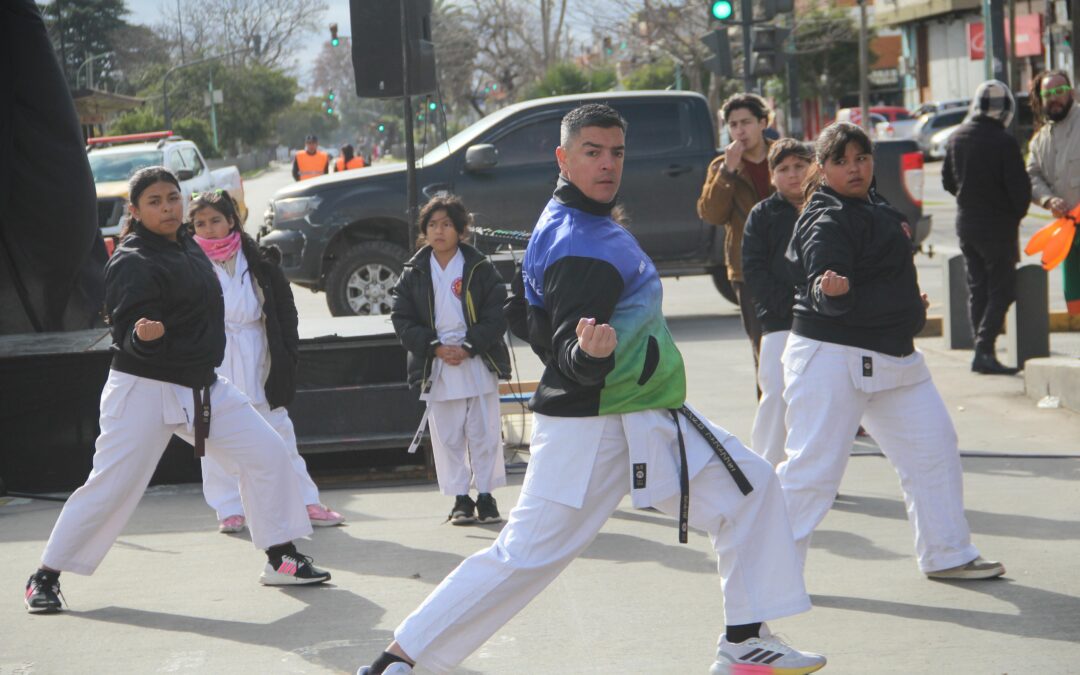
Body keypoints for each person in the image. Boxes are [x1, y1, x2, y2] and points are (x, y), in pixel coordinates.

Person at [358, 104, 825, 675]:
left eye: (617, 152)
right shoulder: (581, 242)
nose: (608, 164)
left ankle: (746, 641)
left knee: (751, 490)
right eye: (592, 152)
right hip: (592, 422)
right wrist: (588, 355)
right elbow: (561, 342)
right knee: (526, 554)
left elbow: (523, 314)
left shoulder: (567, 220)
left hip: (641, 414)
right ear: (563, 157)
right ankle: (399, 660)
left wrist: (583, 353)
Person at [24, 167, 330, 614]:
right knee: (111, 486)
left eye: (172, 198)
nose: (167, 207)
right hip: (142, 389)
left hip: (202, 384)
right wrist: (141, 337)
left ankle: (280, 556)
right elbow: (126, 327)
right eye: (154, 201)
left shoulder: (188, 245)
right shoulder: (131, 260)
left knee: (267, 451)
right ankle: (44, 577)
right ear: (135, 211)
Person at [779, 122, 1004, 581]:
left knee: (933, 449)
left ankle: (947, 552)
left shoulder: (875, 204)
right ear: (823, 169)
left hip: (895, 358)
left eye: (861, 158)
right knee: (813, 474)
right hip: (833, 357)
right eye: (840, 161)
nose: (854, 168)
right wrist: (831, 291)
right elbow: (822, 268)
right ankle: (766, 575)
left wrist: (906, 306)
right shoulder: (825, 213)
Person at [188, 189, 345, 533]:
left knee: (277, 431)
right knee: (212, 435)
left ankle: (305, 500)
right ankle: (229, 508)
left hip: (258, 351)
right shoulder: (188, 262)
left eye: (216, 220)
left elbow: (285, 311)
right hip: (214, 356)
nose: (209, 228)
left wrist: (287, 354)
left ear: (232, 220)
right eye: (200, 223)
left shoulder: (258, 259)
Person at [390, 194, 510, 525]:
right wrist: (434, 347)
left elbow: (497, 311)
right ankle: (461, 498)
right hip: (437, 362)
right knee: (448, 435)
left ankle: (486, 496)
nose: (439, 231)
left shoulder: (480, 267)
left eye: (446, 225)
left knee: (483, 432)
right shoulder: (414, 271)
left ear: (460, 230)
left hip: (476, 358)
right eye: (432, 225)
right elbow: (401, 318)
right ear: (423, 231)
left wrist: (470, 345)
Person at [942, 80, 1031, 375]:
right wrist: (1012, 215)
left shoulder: (957, 137)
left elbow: (947, 182)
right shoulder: (1004, 141)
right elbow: (1020, 192)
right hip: (997, 228)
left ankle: (983, 351)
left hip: (966, 224)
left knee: (978, 288)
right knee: (1002, 290)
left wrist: (970, 200)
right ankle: (984, 349)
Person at [741, 139, 812, 466]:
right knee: (775, 396)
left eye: (800, 166)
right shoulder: (763, 215)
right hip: (779, 321)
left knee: (814, 399)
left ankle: (808, 468)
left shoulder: (825, 208)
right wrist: (787, 305)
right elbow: (753, 269)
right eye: (783, 169)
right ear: (771, 176)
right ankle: (765, 467)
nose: (793, 175)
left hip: (823, 322)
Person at [697, 93, 776, 387]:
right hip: (748, 270)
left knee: (805, 347)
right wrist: (728, 172)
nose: (740, 131)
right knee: (764, 351)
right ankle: (772, 428)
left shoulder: (786, 158)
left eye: (746, 122)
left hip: (792, 265)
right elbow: (712, 214)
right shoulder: (721, 166)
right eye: (733, 125)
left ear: (763, 123)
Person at [1027, 70, 1080, 315]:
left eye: (1059, 91)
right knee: (1076, 300)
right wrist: (1048, 199)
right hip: (1067, 234)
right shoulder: (1039, 141)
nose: (1054, 98)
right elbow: (1032, 176)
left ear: (1071, 91)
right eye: (1048, 93)